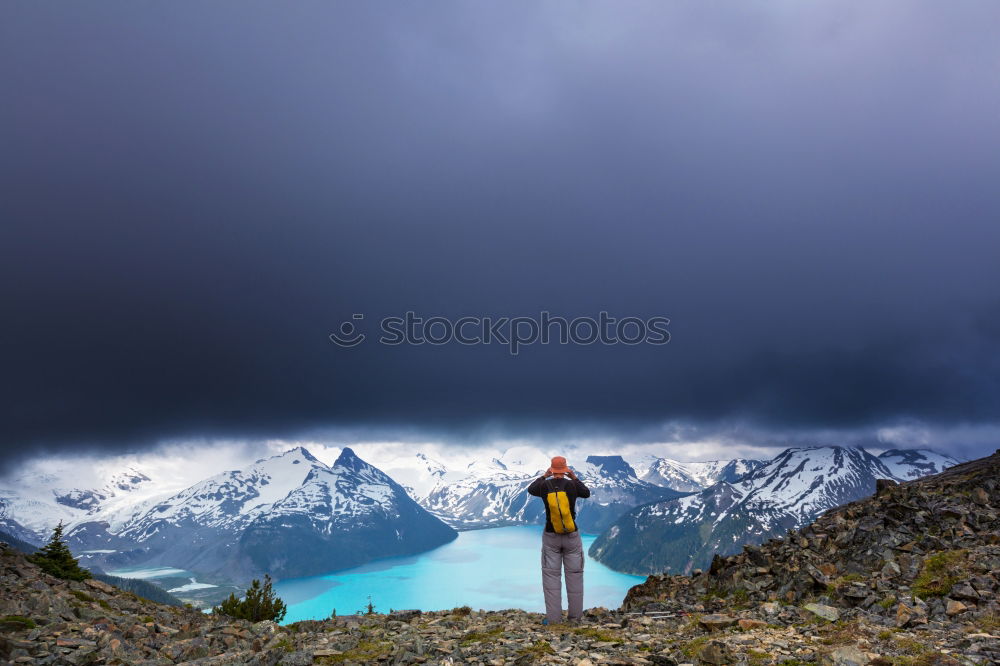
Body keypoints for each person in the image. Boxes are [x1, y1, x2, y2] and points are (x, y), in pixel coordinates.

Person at [527, 456, 591, 625]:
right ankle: (575, 619)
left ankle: (554, 621)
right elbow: (586, 493)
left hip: (551, 536)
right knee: (575, 576)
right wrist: (574, 477)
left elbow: (531, 489)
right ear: (565, 469)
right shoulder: (571, 485)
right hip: (571, 536)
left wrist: (544, 476)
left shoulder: (544, 486)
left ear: (551, 469)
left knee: (551, 578)